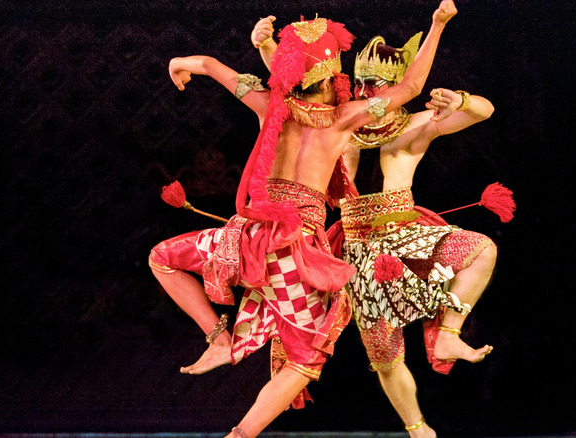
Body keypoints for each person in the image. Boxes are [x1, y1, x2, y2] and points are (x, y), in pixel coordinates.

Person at [149, 3, 458, 437]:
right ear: (335, 77)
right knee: (303, 361)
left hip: (246, 241)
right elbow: (410, 85)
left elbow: (207, 64)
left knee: (162, 258)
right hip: (295, 257)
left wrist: (182, 63)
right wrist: (437, 24)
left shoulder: (269, 107)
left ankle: (217, 338)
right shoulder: (343, 121)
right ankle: (241, 433)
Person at [249, 13, 510, 438]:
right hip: (355, 250)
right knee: (386, 356)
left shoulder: (414, 128)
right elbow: (295, 86)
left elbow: (486, 110)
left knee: (482, 248)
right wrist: (264, 49)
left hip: (406, 238)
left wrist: (458, 100)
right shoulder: (341, 125)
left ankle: (448, 333)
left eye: (377, 86)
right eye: (362, 84)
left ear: (396, 89)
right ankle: (417, 427)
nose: (367, 92)